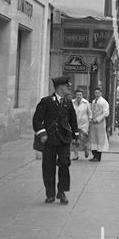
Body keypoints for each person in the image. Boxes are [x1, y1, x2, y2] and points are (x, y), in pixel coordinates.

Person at [32, 76, 79, 204]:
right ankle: (50, 194)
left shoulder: (68, 102)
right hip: (49, 139)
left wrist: (76, 136)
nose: (69, 88)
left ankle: (62, 192)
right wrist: (42, 133)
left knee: (64, 163)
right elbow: (36, 119)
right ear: (60, 87)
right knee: (48, 166)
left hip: (64, 139)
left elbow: (73, 120)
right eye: (67, 86)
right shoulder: (46, 101)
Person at [89, 87, 110, 161]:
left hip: (100, 124)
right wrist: (91, 118)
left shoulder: (104, 102)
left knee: (99, 139)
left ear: (101, 93)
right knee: (93, 139)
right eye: (96, 93)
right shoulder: (93, 101)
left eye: (98, 93)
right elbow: (91, 111)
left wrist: (97, 119)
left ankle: (98, 156)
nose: (97, 94)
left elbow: (106, 113)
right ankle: (94, 155)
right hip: (93, 124)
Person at [71, 89, 91, 160]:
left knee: (83, 140)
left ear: (82, 95)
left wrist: (90, 120)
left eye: (80, 95)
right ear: (75, 95)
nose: (78, 96)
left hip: (84, 125)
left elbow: (89, 113)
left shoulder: (86, 103)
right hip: (74, 124)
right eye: (77, 95)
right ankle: (76, 155)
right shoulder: (72, 102)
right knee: (75, 140)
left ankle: (86, 150)